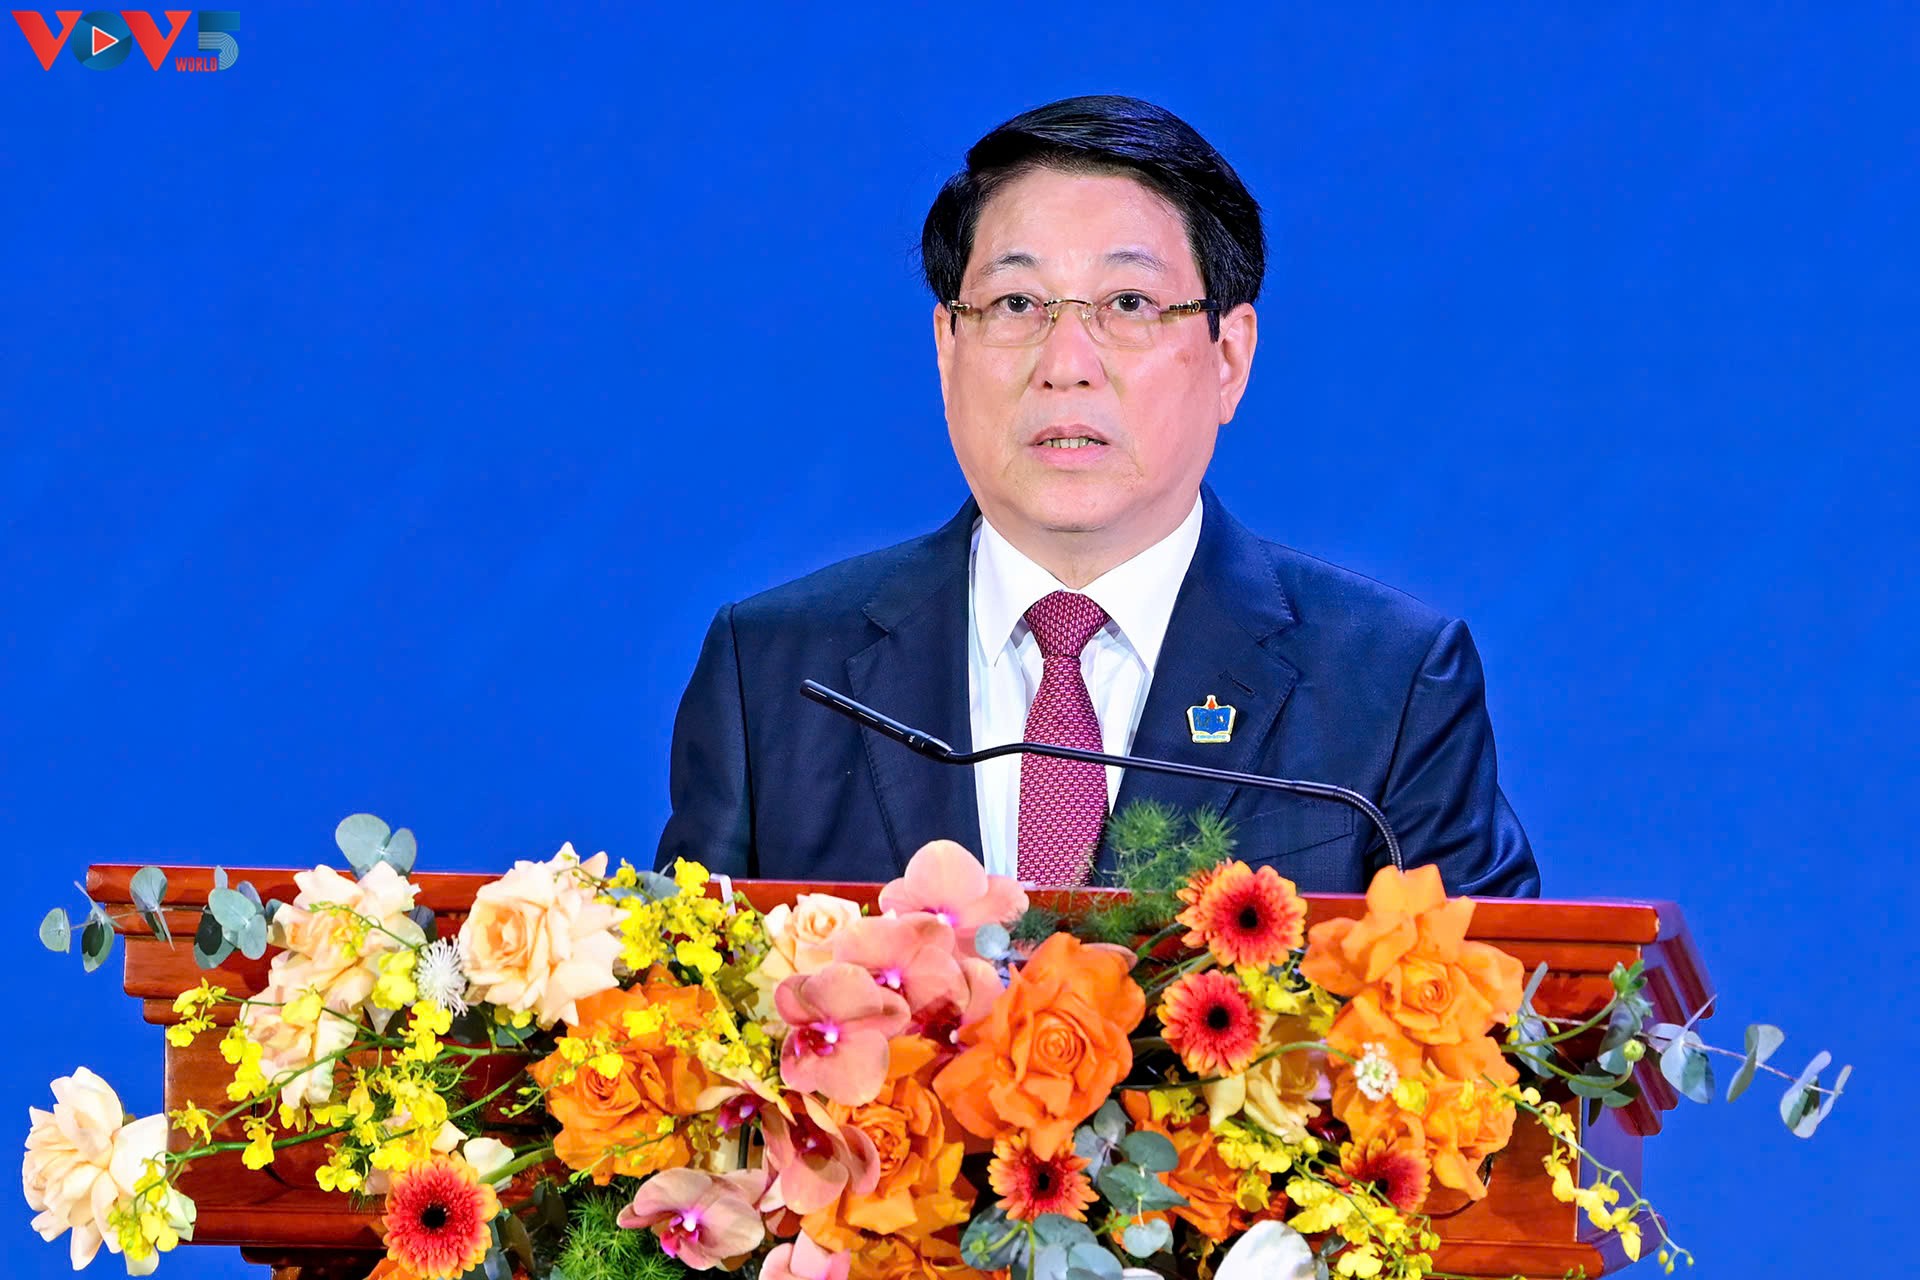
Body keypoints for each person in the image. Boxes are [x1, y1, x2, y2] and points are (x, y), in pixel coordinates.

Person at [655, 95, 1540, 896]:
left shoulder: (1388, 683)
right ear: (947, 349)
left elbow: (1499, 1013)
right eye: (1015, 304)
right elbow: (685, 999)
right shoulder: (776, 671)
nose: (1066, 365)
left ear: (1230, 357)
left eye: (1128, 303)